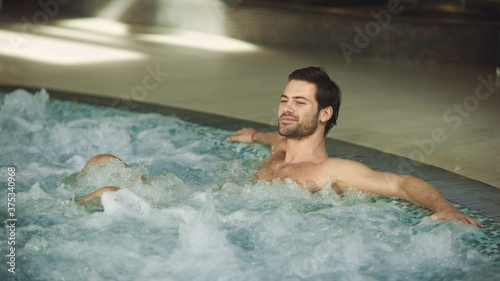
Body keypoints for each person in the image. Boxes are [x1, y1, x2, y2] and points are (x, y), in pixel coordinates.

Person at [81, 66, 483, 227]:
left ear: (324, 114)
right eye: (284, 100)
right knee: (103, 162)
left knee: (108, 194)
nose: (287, 110)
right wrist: (254, 135)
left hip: (219, 222)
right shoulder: (279, 149)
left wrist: (444, 207)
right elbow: (276, 136)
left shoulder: (333, 171)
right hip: (204, 201)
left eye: (300, 103)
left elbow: (401, 184)